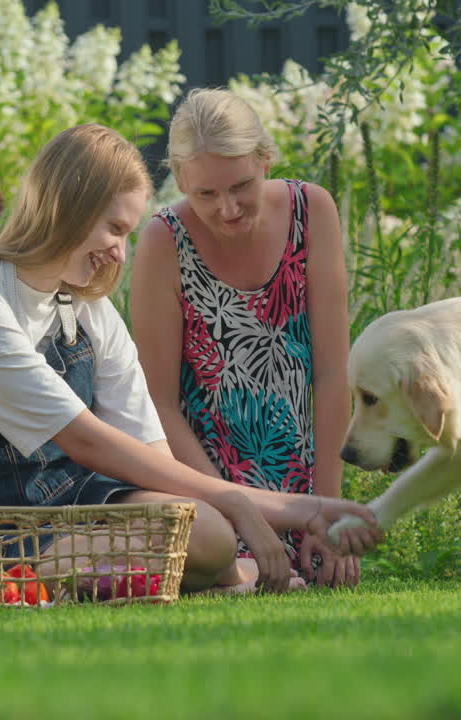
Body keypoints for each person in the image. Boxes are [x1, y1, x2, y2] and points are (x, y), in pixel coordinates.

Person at [0, 123, 378, 597]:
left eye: (128, 234)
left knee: (207, 531)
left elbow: (152, 455)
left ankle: (178, 577)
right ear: (68, 206)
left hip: (83, 509)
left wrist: (276, 509)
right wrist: (259, 505)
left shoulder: (88, 309)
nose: (119, 253)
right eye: (114, 228)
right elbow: (85, 441)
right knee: (167, 545)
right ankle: (195, 579)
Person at [129, 89, 359, 588]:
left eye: (241, 186)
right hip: (209, 500)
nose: (228, 208)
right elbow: (158, 406)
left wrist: (327, 514)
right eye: (205, 194)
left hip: (304, 494)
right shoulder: (163, 241)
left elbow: (333, 373)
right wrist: (236, 514)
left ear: (265, 158)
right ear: (180, 179)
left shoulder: (311, 211)